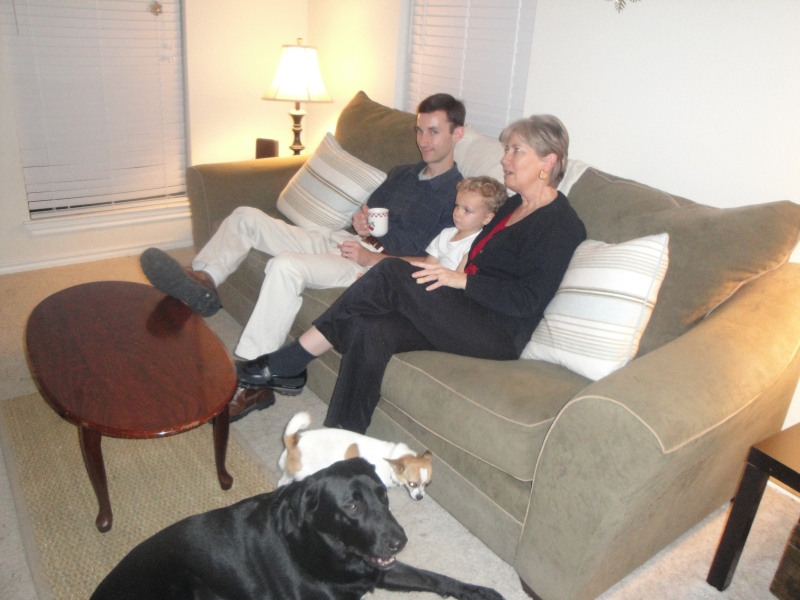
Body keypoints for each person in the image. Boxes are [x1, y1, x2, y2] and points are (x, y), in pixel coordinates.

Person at [235, 114, 588, 433]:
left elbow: (528, 300)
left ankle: (292, 360)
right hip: (464, 306)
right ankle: (342, 441)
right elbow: (474, 257)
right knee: (370, 326)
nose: (505, 159)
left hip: (498, 331)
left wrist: (462, 280)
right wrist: (453, 275)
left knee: (390, 270)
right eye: (506, 150)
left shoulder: (559, 224)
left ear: (548, 161)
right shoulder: (512, 205)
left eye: (516, 151)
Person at [140, 93, 466, 421]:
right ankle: (204, 281)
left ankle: (255, 380)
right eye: (419, 130)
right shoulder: (402, 174)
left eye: (433, 132)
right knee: (245, 217)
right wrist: (360, 221)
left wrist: (371, 259)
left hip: (373, 268)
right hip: (345, 240)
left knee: (285, 265)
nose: (423, 141)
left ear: (458, 134)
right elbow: (368, 214)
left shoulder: (458, 199)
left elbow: (435, 264)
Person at [401, 176, 506, 272]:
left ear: (487, 218)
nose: (457, 213)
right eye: (457, 206)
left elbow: (458, 279)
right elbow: (428, 265)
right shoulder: (446, 233)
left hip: (446, 285)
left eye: (467, 210)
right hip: (429, 280)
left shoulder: (475, 245)